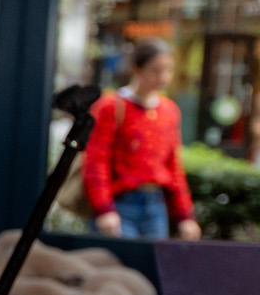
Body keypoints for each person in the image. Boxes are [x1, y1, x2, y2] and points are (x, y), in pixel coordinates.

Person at [86, 38, 203, 241]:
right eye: (156, 70)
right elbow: (96, 161)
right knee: (120, 261)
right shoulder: (112, 106)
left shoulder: (169, 110)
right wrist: (104, 209)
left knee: (153, 261)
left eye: (168, 70)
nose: (163, 77)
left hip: (156, 206)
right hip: (120, 204)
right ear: (136, 68)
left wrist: (185, 216)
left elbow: (173, 165)